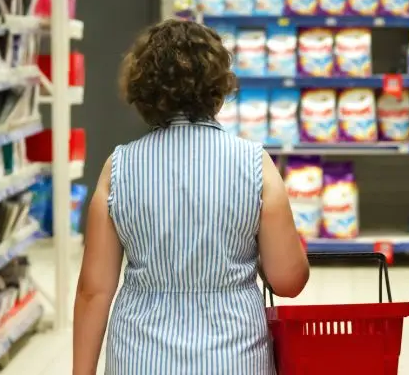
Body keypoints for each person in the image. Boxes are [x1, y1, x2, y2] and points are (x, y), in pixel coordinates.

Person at [72, 19, 310, 375]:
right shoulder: (254, 164)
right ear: (218, 87)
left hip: (141, 357)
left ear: (144, 91)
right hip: (234, 357)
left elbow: (94, 291)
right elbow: (289, 281)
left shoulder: (119, 167)